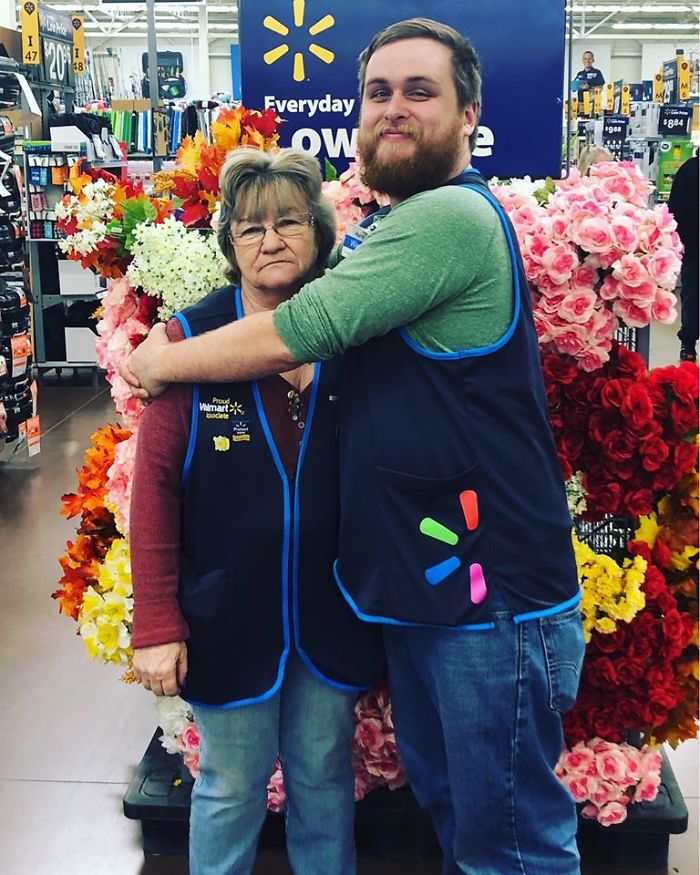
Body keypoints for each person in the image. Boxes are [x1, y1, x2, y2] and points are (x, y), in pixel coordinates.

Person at [124, 18, 585, 875]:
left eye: (421, 91)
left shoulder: (446, 218)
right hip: (435, 595)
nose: (394, 109)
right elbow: (346, 372)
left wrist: (161, 360)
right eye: (379, 92)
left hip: (492, 600)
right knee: (464, 819)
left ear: (470, 113)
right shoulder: (393, 235)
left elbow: (303, 332)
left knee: (509, 845)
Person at [129, 147, 384, 875]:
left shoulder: (356, 335)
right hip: (228, 617)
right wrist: (156, 623)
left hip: (331, 616)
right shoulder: (187, 342)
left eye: (288, 222)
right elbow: (154, 491)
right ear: (229, 244)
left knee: (324, 778)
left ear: (320, 234)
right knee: (231, 787)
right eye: (250, 228)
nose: (270, 240)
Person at [668, 152, 698, 362]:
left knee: (692, 298)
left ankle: (688, 344)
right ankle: (688, 341)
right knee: (693, 298)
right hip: (694, 248)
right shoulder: (690, 170)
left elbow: (674, 209)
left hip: (693, 249)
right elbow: (675, 210)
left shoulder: (688, 170)